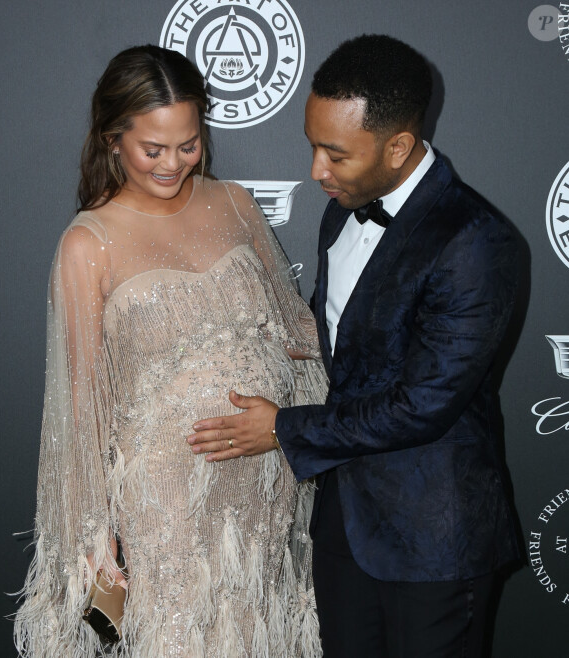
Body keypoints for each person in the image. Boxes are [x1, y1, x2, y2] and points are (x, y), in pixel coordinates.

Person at [187, 34, 520, 657]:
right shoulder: (343, 206)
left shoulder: (474, 242)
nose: (316, 170)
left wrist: (284, 428)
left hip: (434, 541)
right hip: (343, 524)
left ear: (397, 147)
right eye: (312, 144)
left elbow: (423, 403)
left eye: (334, 153)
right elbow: (344, 321)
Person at [14, 44, 327, 658]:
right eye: (151, 149)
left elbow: (299, 337)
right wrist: (94, 539)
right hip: (167, 501)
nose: (172, 164)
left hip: (262, 482)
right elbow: (83, 408)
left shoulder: (235, 201)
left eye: (187, 145)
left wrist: (299, 423)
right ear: (112, 138)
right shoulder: (88, 243)